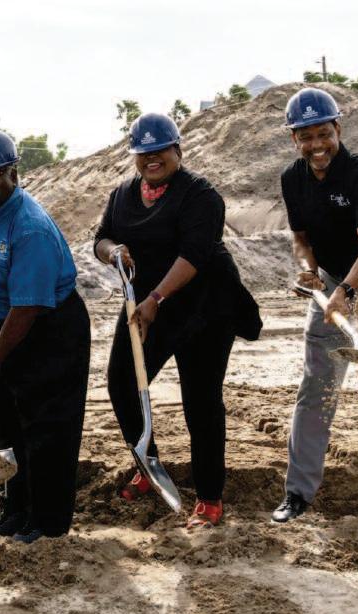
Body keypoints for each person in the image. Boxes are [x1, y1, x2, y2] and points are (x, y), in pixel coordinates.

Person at [94, 113, 262, 529]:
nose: (152, 158)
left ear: (178, 150)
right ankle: (147, 466)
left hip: (205, 306)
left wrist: (156, 298)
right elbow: (101, 238)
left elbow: (194, 254)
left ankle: (209, 497)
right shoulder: (122, 195)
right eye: (143, 152)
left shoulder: (201, 195)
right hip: (147, 304)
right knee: (122, 382)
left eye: (161, 150)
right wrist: (113, 251)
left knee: (200, 398)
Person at [270, 87, 358, 524]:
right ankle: (298, 494)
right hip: (332, 284)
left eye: (323, 134)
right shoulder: (292, 179)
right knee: (315, 390)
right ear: (294, 138)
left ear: (338, 130)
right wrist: (309, 270)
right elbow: (301, 239)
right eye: (306, 137)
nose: (317, 145)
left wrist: (346, 293)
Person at [0, 128, 91, 543]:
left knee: (46, 430)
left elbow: (27, 306)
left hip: (48, 332)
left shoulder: (30, 227)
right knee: (8, 429)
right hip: (6, 327)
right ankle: (15, 512)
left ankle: (46, 525)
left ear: (13, 174)